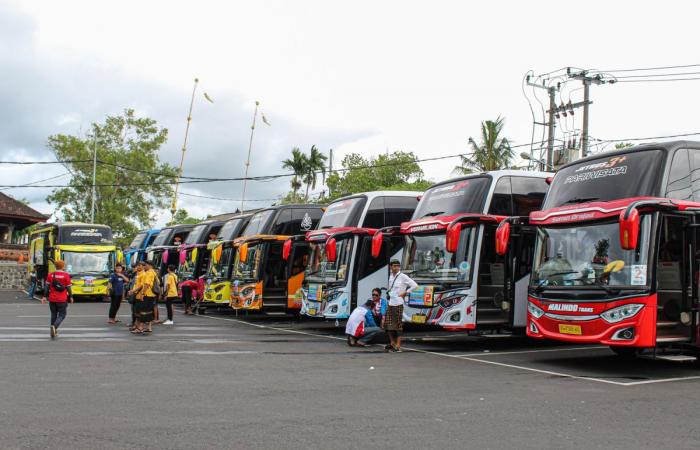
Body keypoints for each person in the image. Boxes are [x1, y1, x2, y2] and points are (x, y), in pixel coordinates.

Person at [384, 259, 417, 352]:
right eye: (394, 266)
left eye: (397, 266)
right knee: (387, 325)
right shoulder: (391, 276)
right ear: (391, 267)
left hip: (398, 303)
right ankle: (392, 343)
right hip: (390, 302)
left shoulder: (403, 276)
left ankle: (398, 346)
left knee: (398, 325)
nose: (396, 267)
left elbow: (415, 285)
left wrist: (405, 292)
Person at [41, 260, 73, 339]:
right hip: (62, 299)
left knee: (53, 315)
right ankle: (54, 327)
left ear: (55, 266)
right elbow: (68, 287)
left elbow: (47, 287)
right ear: (62, 266)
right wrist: (71, 297)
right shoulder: (66, 275)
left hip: (52, 299)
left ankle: (53, 332)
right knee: (62, 314)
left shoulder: (51, 275)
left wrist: (44, 297)